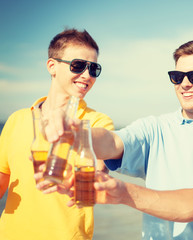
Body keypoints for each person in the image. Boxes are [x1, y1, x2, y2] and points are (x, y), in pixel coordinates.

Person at [40, 40, 193, 239]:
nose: (184, 84)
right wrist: (77, 133)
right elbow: (111, 142)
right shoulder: (154, 129)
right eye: (177, 77)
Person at [0, 28, 114, 240]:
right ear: (52, 66)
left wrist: (81, 181)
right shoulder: (17, 119)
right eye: (78, 65)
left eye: (94, 69)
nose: (87, 75)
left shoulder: (97, 122)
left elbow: (99, 172)